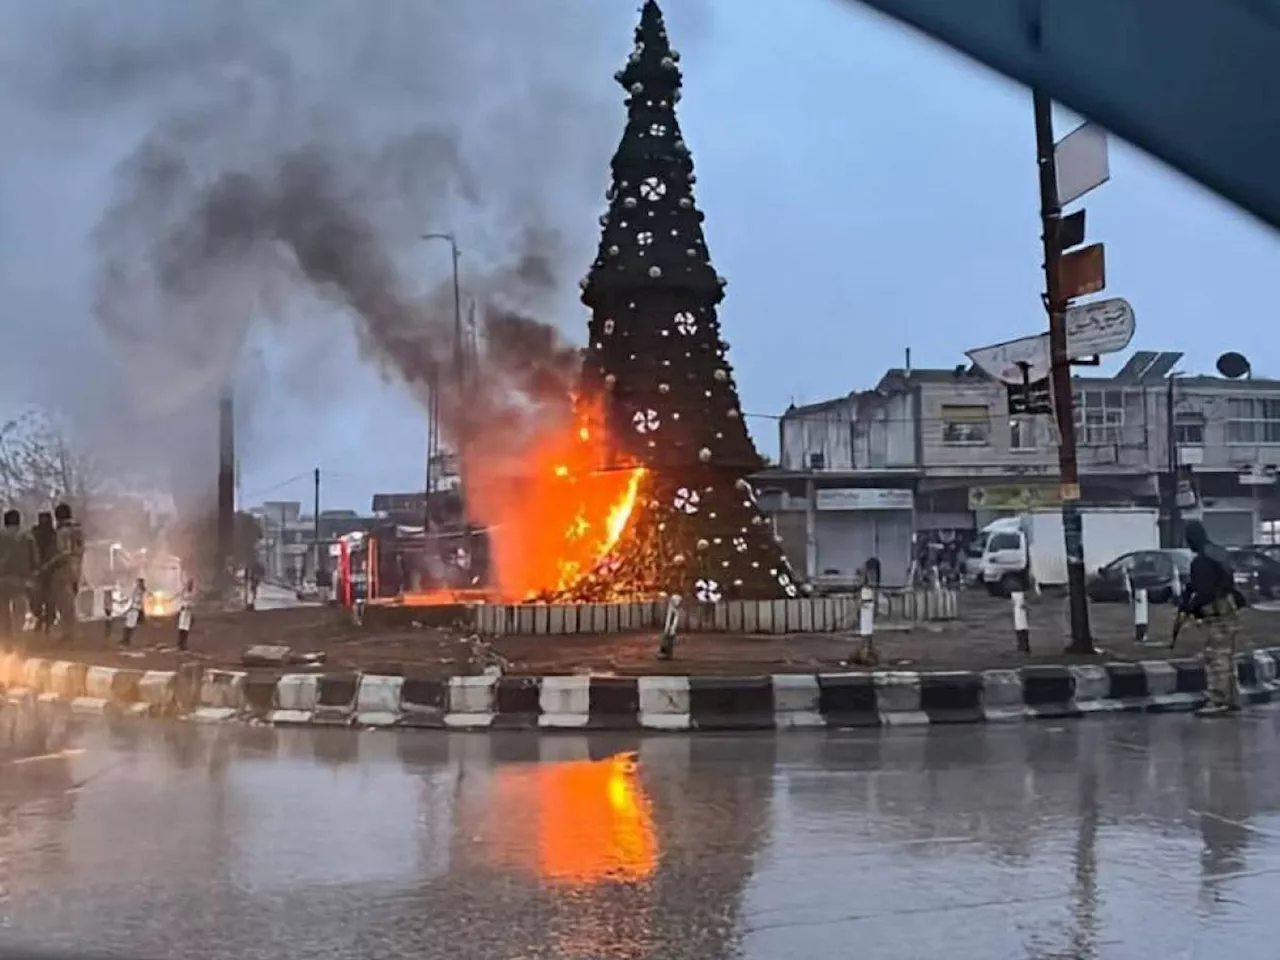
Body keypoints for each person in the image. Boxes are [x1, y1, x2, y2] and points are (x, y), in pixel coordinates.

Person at [1178, 520, 1246, 717]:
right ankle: (1232, 699)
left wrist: (1191, 607)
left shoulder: (1201, 561)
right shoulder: (1217, 552)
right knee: (1227, 658)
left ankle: (1218, 701)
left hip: (1217, 613)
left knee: (1216, 659)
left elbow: (1206, 591)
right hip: (1229, 611)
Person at [50, 503, 85, 642]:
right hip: (77, 567)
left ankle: (69, 633)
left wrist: (48, 565)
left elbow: (62, 551)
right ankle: (71, 632)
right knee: (71, 600)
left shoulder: (62, 532)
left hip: (63, 569)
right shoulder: (78, 530)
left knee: (65, 603)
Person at [0, 508, 32, 637]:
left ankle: (5, 637)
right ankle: (18, 635)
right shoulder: (27, 536)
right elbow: (34, 556)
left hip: (1, 578)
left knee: (2, 610)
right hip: (20, 579)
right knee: (19, 609)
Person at [29, 511, 58, 632]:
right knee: (44, 600)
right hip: (46, 570)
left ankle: (44, 622)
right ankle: (44, 622)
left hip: (45, 570)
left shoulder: (52, 535)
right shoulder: (53, 534)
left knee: (42, 600)